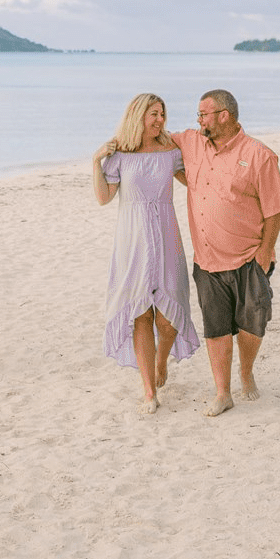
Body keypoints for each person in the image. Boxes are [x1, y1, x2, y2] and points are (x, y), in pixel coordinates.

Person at [170, 88, 280, 417]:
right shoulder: (192, 143)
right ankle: (223, 392)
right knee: (216, 328)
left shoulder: (259, 155)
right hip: (207, 259)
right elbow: (156, 140)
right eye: (197, 115)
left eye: (203, 114)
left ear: (224, 116)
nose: (198, 120)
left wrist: (265, 253)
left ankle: (246, 372)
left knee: (253, 325)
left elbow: (275, 209)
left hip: (250, 258)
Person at [91, 93, 200, 414]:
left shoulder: (170, 151)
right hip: (132, 239)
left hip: (167, 235)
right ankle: (149, 391)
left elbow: (196, 182)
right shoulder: (120, 154)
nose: (160, 120)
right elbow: (103, 197)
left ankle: (161, 362)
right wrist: (95, 161)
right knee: (140, 313)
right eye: (154, 113)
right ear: (138, 116)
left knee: (168, 318)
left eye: (163, 114)